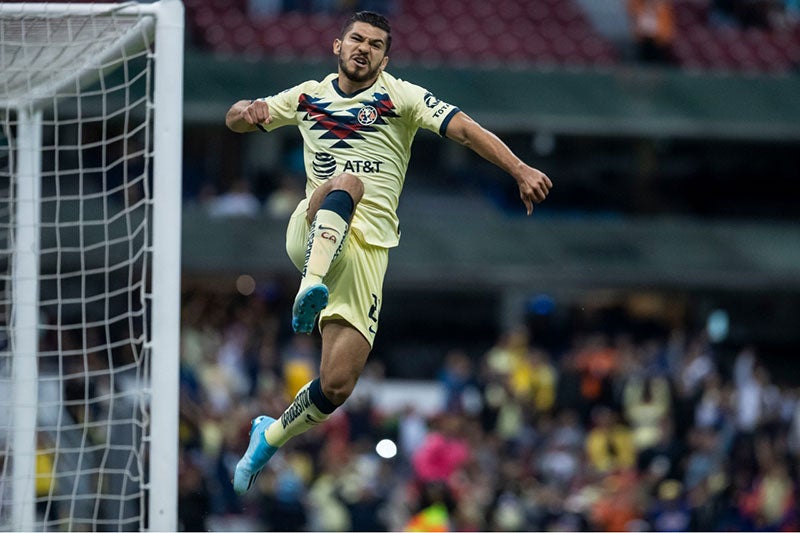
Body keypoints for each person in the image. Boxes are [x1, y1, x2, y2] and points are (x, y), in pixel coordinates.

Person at [224, 10, 552, 494]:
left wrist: (519, 168)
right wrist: (245, 109)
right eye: (356, 39)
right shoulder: (307, 96)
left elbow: (464, 128)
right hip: (313, 230)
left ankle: (268, 436)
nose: (364, 48)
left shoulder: (403, 98)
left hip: (366, 255)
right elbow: (236, 120)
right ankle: (310, 285)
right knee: (346, 181)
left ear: (386, 56)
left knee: (336, 386)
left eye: (376, 44)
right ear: (338, 45)